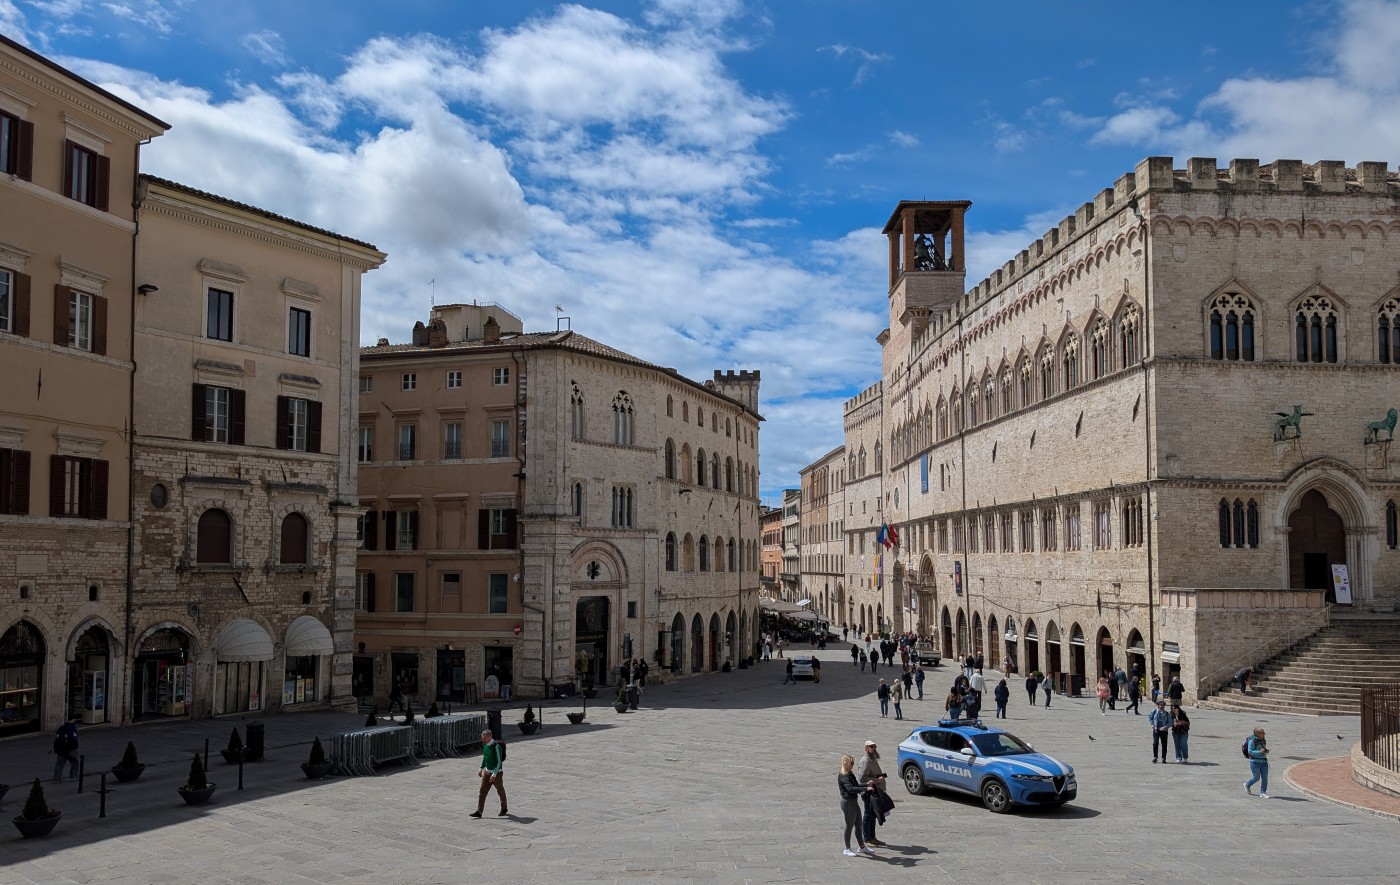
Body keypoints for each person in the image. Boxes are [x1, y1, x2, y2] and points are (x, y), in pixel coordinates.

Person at [837, 754, 876, 857]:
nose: (853, 765)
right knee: (849, 825)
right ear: (846, 764)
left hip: (853, 801)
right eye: (852, 763)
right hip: (847, 803)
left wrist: (866, 784)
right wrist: (865, 789)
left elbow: (855, 785)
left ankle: (862, 847)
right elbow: (850, 788)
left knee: (858, 824)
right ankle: (847, 848)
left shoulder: (849, 774)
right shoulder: (844, 776)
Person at [854, 741, 888, 847]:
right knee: (868, 815)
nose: (874, 749)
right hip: (869, 791)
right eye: (871, 747)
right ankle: (867, 838)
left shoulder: (873, 759)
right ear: (866, 749)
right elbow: (862, 778)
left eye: (875, 747)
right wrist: (877, 780)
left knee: (873, 815)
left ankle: (872, 837)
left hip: (875, 791)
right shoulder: (865, 761)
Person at [470, 729, 507, 817]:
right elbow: (485, 758)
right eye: (482, 738)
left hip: (497, 774)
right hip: (487, 772)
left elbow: (499, 762)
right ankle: (479, 811)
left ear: (490, 737)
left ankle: (504, 809)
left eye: (484, 738)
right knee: (482, 792)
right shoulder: (486, 745)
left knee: (500, 791)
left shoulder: (496, 747)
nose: (483, 739)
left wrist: (494, 774)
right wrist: (481, 769)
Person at [1243, 727, 1270, 798]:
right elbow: (1250, 752)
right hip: (1255, 762)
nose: (1264, 734)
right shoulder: (1252, 741)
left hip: (1264, 761)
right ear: (1257, 734)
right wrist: (1259, 752)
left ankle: (1263, 792)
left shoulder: (1263, 740)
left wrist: (1265, 751)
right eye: (1262, 733)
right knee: (1256, 777)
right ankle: (1247, 784)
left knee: (1265, 778)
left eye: (1264, 732)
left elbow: (1263, 748)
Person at [52, 716, 79, 782]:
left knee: (60, 763)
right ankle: (73, 776)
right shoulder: (72, 727)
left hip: (61, 748)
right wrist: (74, 746)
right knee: (75, 761)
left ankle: (56, 778)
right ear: (73, 719)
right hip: (70, 748)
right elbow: (73, 738)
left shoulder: (61, 728)